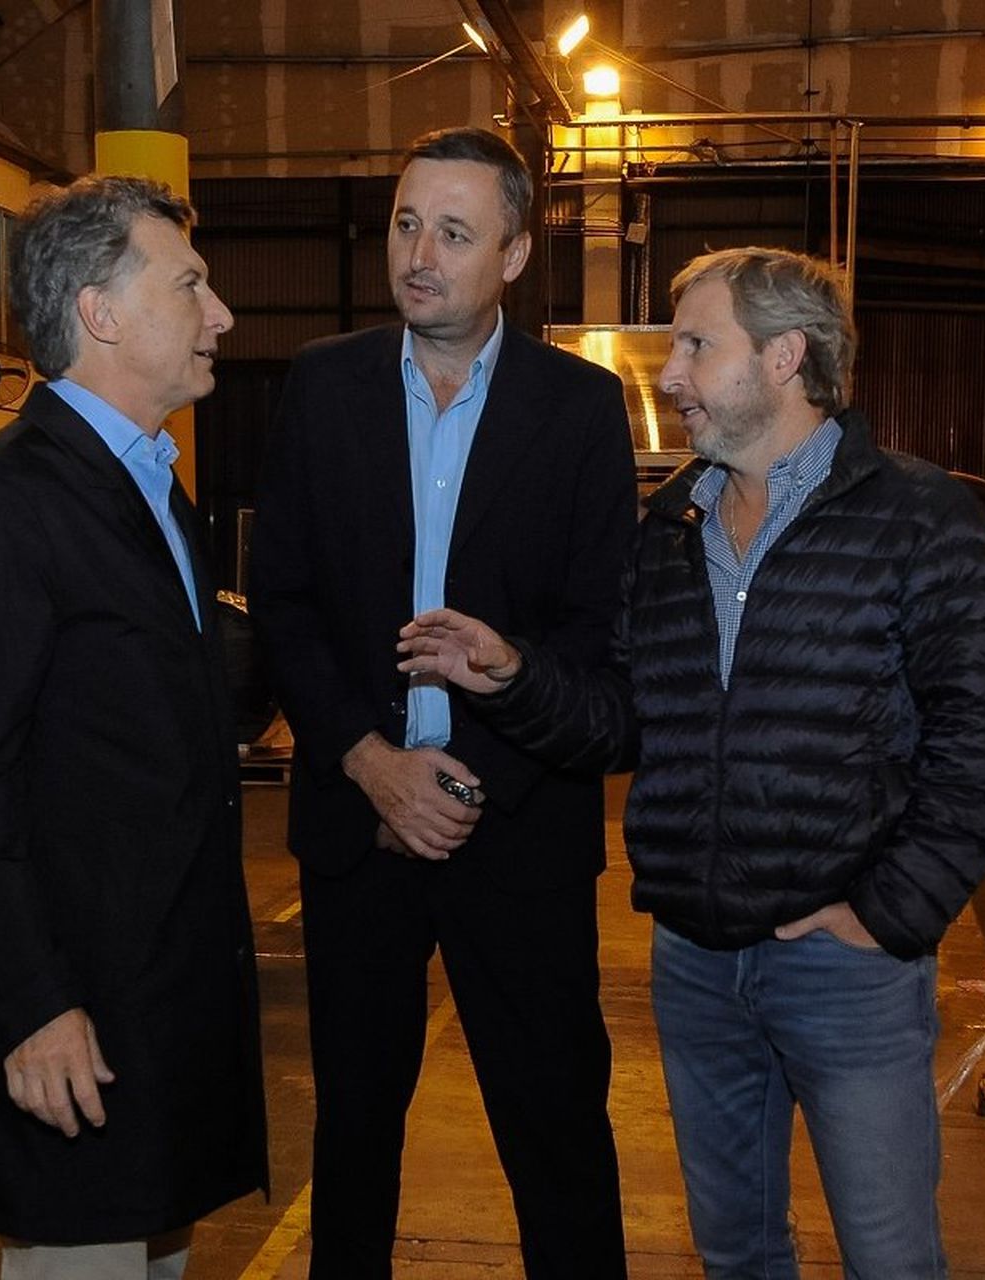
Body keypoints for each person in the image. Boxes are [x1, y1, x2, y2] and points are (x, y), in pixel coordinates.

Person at [397, 246, 985, 1280]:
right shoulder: (671, 526)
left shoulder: (918, 518)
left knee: (888, 1256)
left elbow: (983, 744)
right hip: (695, 960)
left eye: (697, 345)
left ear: (784, 357)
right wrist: (512, 676)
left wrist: (886, 913)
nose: (673, 374)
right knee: (735, 1251)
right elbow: (622, 720)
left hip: (847, 965)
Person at [248, 126, 634, 1279]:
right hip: (358, 826)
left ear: (513, 254)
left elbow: (595, 634)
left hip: (516, 828)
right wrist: (373, 762)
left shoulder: (580, 409)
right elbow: (285, 602)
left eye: (454, 233)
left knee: (556, 1133)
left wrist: (466, 783)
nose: (420, 255)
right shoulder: (324, 386)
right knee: (353, 1136)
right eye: (407, 224)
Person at [0, 175, 266, 1280]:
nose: (221, 315)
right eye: (190, 285)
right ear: (100, 312)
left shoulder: (150, 486)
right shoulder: (2, 502)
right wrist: (29, 1006)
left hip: (155, 1000)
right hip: (75, 1013)